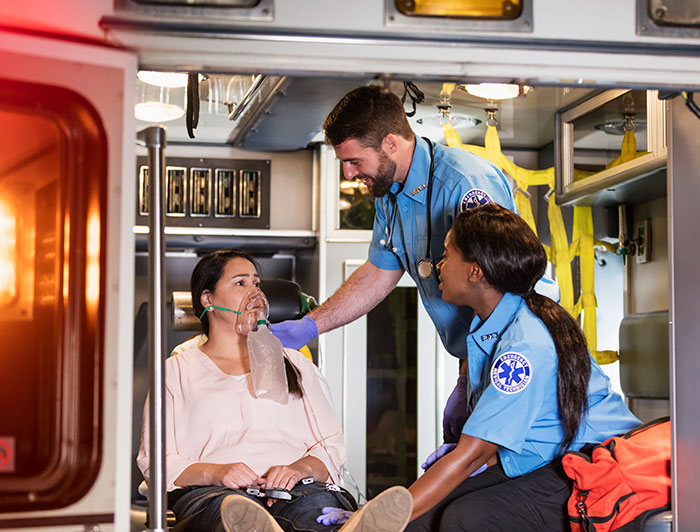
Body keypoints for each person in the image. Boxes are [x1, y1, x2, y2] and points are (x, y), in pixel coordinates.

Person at [402, 204, 641, 531]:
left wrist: (372, 522)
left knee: (465, 518)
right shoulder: (498, 320)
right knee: (423, 519)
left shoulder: (524, 346)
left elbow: (474, 455)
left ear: (475, 271)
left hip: (599, 467)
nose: (438, 266)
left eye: (447, 255)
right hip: (551, 457)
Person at [137, 249, 412, 532]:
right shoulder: (176, 371)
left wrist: (299, 469)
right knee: (232, 514)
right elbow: (156, 460)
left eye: (256, 283)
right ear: (208, 298)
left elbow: (330, 446)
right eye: (240, 283)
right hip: (213, 493)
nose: (254, 293)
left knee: (312, 514)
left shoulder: (295, 364)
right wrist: (216, 472)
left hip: (296, 489)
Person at [270, 85, 516, 361]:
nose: (348, 174)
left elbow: (498, 281)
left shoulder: (465, 183)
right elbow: (378, 273)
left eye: (354, 161)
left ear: (390, 144)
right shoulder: (389, 197)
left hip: (509, 347)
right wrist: (311, 326)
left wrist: (481, 363)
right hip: (475, 354)